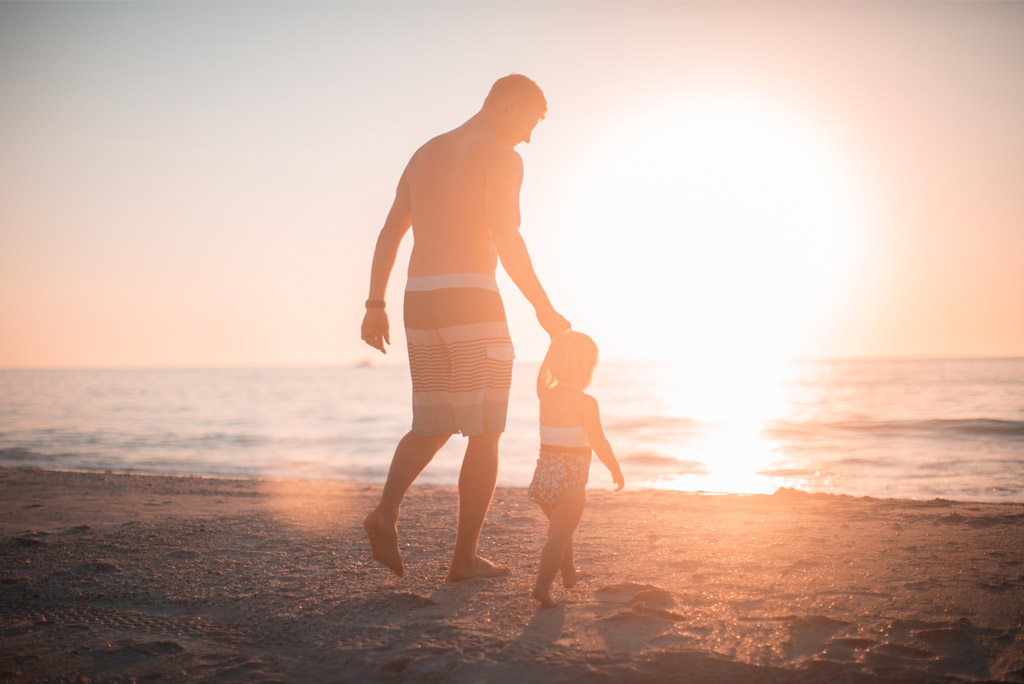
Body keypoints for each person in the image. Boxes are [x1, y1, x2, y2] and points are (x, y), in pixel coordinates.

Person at [360, 74, 570, 581]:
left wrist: (374, 303)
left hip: (419, 298)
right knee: (485, 430)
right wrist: (544, 308)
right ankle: (463, 560)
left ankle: (385, 512)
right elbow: (507, 237)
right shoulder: (501, 156)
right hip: (471, 297)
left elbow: (392, 229)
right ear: (510, 105)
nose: (528, 137)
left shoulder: (426, 152)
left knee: (432, 423)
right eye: (530, 122)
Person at [528, 331, 624, 608]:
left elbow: (542, 372)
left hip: (544, 479)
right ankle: (542, 587)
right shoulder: (586, 403)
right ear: (587, 370)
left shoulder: (545, 394)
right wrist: (615, 469)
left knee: (562, 529)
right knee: (558, 535)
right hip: (570, 481)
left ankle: (569, 575)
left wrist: (553, 345)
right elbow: (599, 441)